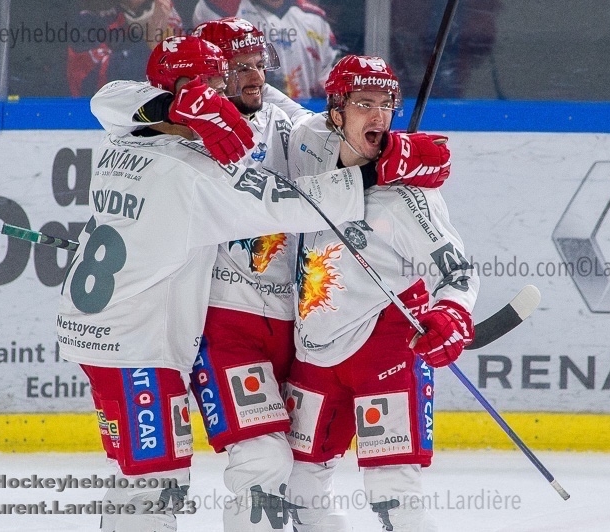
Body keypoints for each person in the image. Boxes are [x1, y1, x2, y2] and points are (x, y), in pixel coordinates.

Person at [59, 35, 447, 532]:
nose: (224, 92)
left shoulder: (121, 137)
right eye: (213, 83)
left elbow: (110, 98)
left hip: (111, 326)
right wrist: (375, 174)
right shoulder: (197, 172)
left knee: (151, 478)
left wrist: (173, 104)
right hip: (139, 341)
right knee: (155, 482)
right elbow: (291, 205)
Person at [283, 55, 480, 531]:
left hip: (385, 347)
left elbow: (457, 270)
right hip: (313, 347)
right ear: (335, 111)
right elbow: (269, 108)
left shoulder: (409, 196)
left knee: (394, 495)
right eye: (363, 103)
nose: (378, 115)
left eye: (386, 104)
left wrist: (451, 314)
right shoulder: (307, 146)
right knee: (299, 491)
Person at [192, 0, 339, 99]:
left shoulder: (315, 17)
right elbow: (208, 75)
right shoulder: (218, 7)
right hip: (241, 114)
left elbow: (328, 79)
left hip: (302, 116)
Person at [67, 0, 184, 97]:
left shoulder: (166, 13)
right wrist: (150, 44)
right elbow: (93, 81)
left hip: (157, 106)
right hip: (95, 111)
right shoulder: (89, 19)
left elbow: (182, 72)